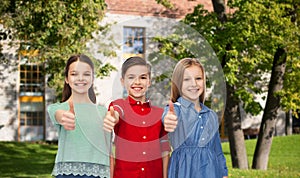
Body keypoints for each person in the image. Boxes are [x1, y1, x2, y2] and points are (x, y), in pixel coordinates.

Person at [103, 56, 170, 178]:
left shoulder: (160, 114)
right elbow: (116, 114)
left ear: (149, 81)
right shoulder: (118, 105)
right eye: (131, 77)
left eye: (143, 77)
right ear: (123, 81)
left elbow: (165, 149)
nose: (137, 82)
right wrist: (112, 119)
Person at [162, 58, 228, 178]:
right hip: (183, 172)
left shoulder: (211, 115)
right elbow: (167, 118)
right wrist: (168, 120)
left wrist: (224, 174)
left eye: (198, 78)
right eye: (186, 79)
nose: (193, 84)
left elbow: (218, 151)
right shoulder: (176, 110)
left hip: (211, 172)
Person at [47, 54, 110, 178]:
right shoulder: (57, 108)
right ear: (66, 78)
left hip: (99, 174)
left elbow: (108, 150)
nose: (80, 78)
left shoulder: (103, 112)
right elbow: (59, 115)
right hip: (67, 174)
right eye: (74, 74)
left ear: (92, 78)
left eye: (86, 74)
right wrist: (64, 117)